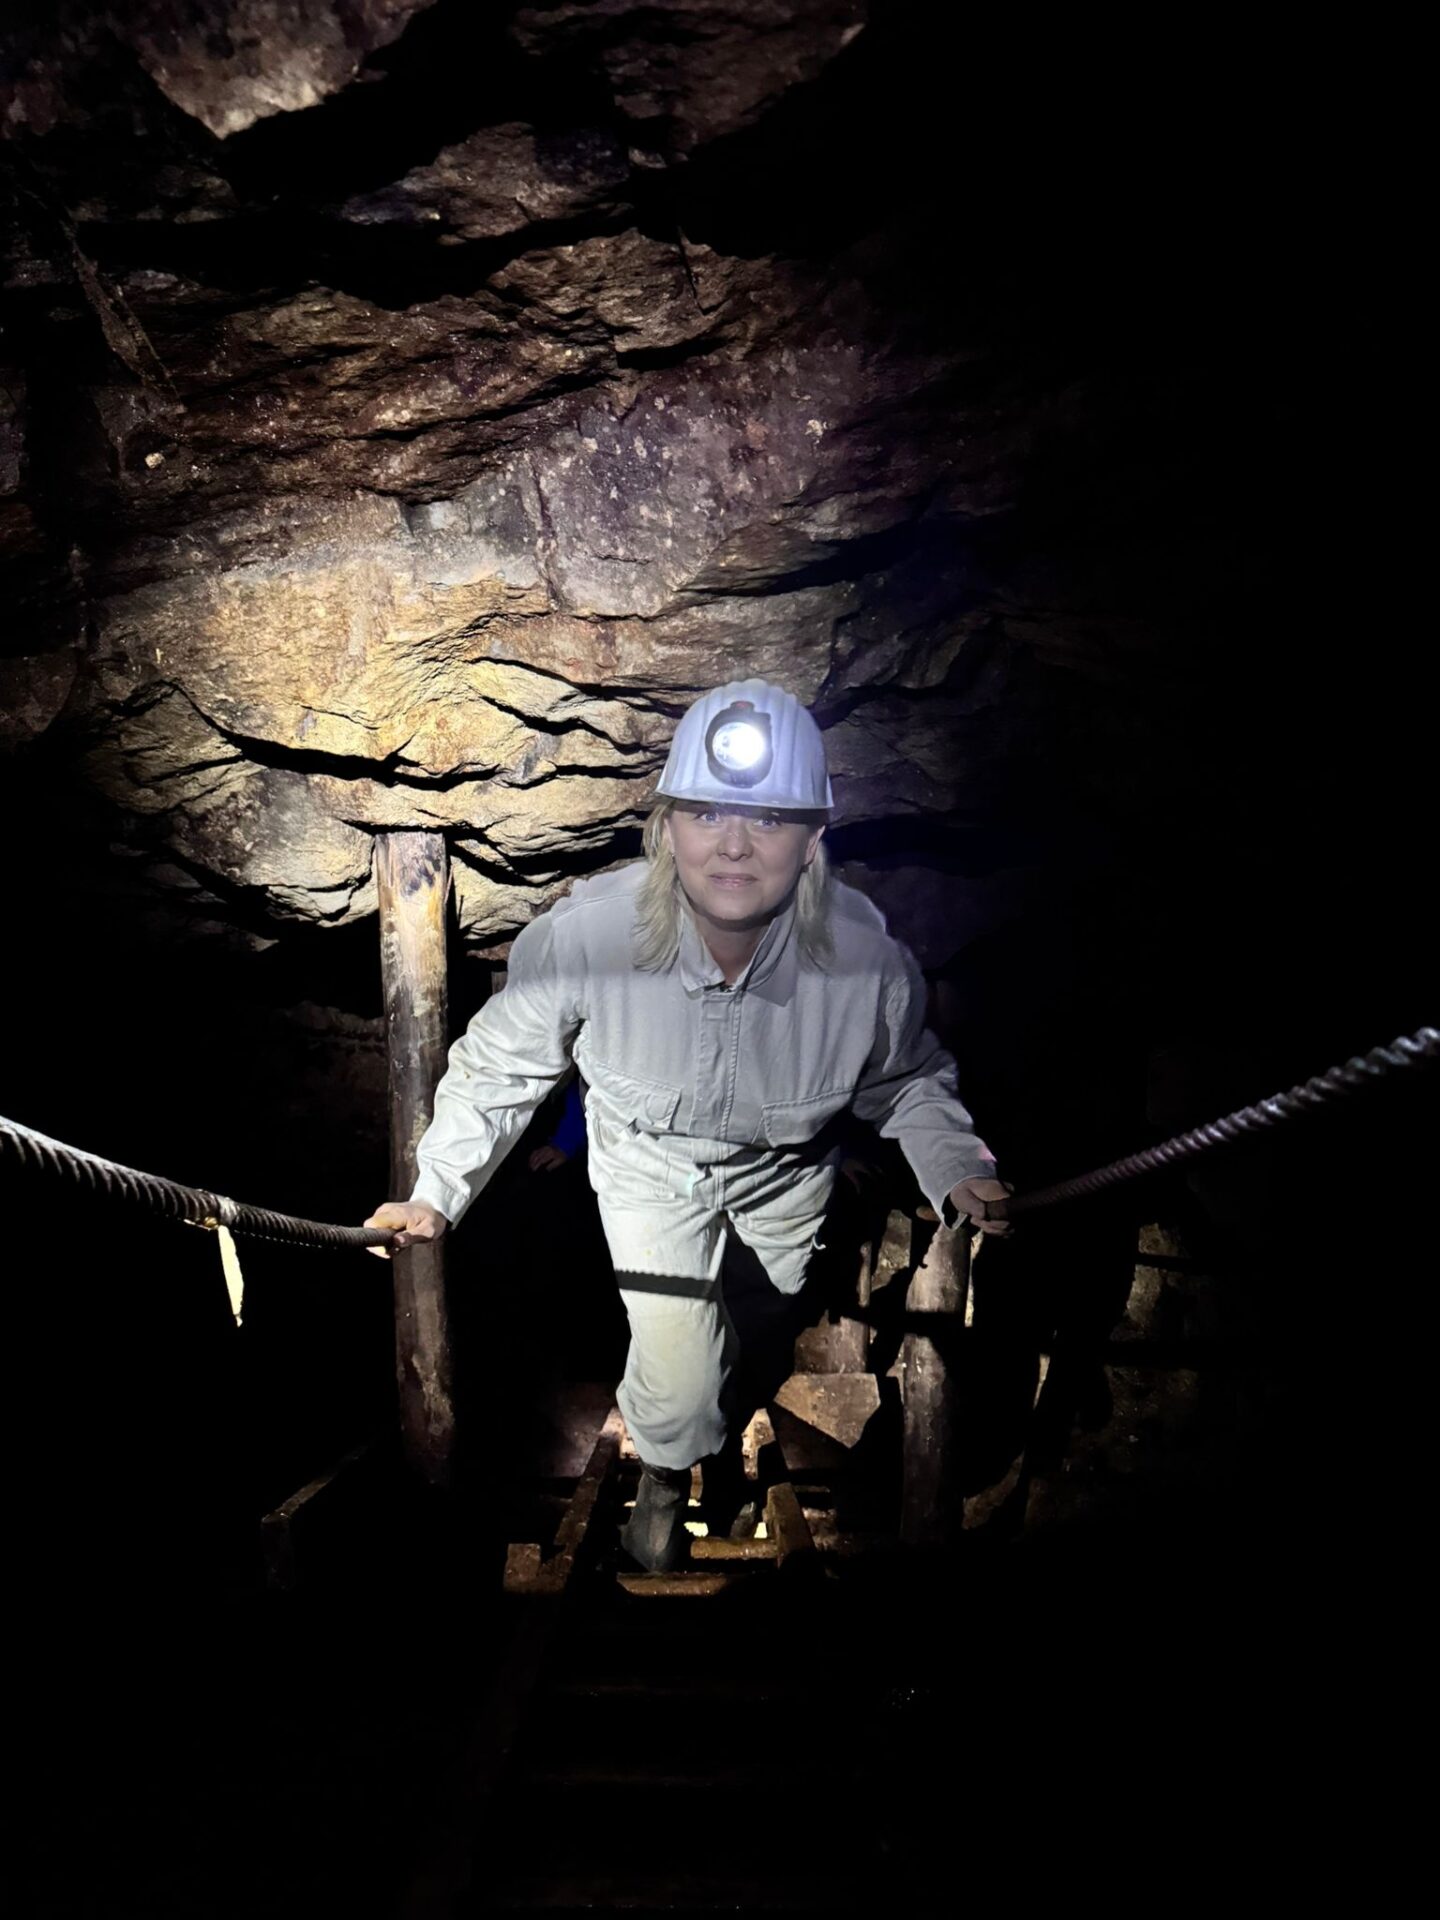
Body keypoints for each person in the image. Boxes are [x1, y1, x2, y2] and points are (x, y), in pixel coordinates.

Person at [366, 679, 1010, 1570]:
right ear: (667, 828)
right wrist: (435, 1190)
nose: (734, 845)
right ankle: (667, 1482)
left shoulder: (863, 961)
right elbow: (497, 1071)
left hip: (786, 1181)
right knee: (680, 1366)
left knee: (758, 1343)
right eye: (706, 814)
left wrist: (958, 1165)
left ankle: (710, 1432)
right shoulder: (589, 938)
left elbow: (908, 1080)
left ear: (812, 841)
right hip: (650, 1173)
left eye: (770, 820)